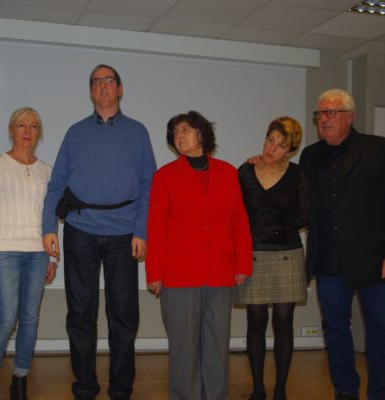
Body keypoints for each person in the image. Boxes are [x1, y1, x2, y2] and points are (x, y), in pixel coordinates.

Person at [41, 64, 156, 400]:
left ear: (120, 89)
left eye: (109, 81)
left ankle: (121, 389)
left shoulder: (138, 132)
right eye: (96, 82)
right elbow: (56, 184)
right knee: (80, 313)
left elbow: (149, 185)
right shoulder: (75, 133)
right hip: (80, 230)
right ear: (90, 91)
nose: (103, 86)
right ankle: (85, 387)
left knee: (123, 315)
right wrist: (48, 227)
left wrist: (141, 230)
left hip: (124, 234)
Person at [145, 111, 252, 400]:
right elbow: (156, 227)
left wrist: (242, 263)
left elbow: (239, 221)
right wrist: (154, 272)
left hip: (220, 272)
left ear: (201, 134)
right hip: (179, 274)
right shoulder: (165, 177)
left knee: (217, 343)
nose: (179, 136)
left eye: (185, 130)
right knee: (184, 346)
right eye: (175, 132)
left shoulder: (227, 173)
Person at [299, 89, 385, 400]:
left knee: (380, 331)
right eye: (320, 114)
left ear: (349, 116)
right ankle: (345, 391)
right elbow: (299, 198)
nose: (324, 119)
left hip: (373, 258)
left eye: (331, 112)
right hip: (329, 260)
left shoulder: (377, 149)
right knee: (335, 330)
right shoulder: (310, 155)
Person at [0, 107, 56, 400]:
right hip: (5, 251)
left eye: (33, 125)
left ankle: (20, 380)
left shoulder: (47, 171)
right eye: (22, 125)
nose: (27, 130)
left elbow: (50, 217)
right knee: (7, 319)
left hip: (38, 254)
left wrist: (53, 257)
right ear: (12, 130)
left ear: (39, 133)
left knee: (30, 319)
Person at [234, 117, 308, 400]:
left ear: (290, 150)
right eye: (270, 140)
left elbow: (306, 215)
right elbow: (235, 212)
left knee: (284, 324)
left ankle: (280, 390)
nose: (272, 148)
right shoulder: (245, 171)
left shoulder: (298, 175)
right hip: (253, 255)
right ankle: (258, 390)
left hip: (287, 255)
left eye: (280, 145)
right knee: (255, 323)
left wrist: (276, 226)